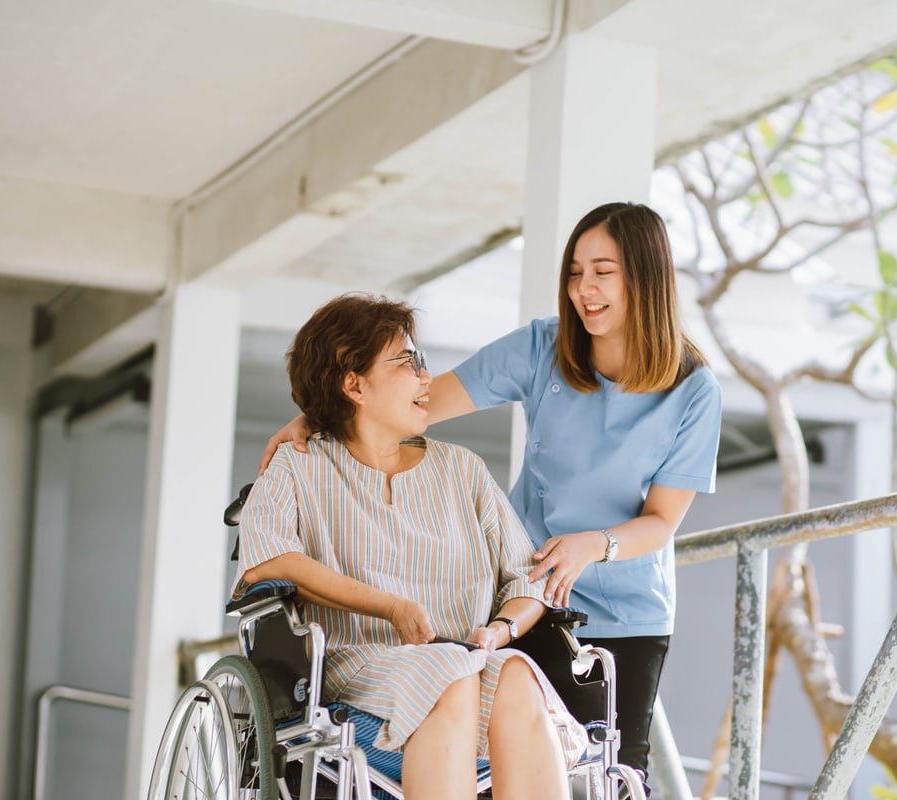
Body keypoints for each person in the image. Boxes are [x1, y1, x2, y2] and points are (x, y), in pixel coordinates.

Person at [259, 202, 722, 793]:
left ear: (646, 277)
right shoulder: (543, 348)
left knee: (617, 773)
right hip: (528, 588)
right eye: (575, 272)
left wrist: (593, 546)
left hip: (628, 603)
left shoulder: (692, 390)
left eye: (602, 272)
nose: (584, 289)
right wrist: (319, 410)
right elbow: (414, 406)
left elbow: (661, 521)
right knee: (508, 728)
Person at [238, 293, 585, 800]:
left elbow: (528, 578)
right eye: (407, 362)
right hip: (353, 665)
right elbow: (268, 559)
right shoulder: (298, 464)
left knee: (515, 675)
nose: (426, 377)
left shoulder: (462, 469)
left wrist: (501, 628)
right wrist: (389, 606)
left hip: (465, 655)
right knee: (447, 671)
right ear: (353, 384)